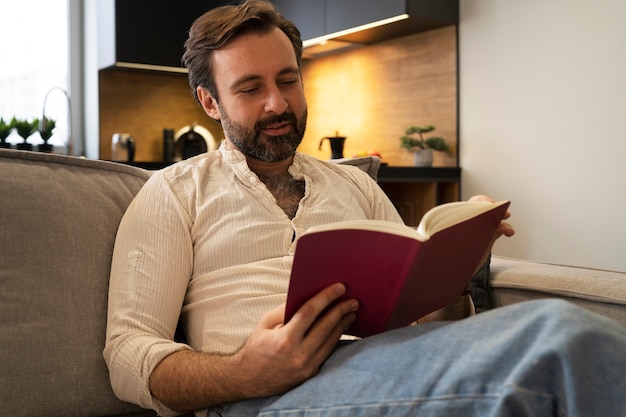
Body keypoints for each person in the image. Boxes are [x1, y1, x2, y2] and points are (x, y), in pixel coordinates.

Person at [104, 1, 626, 416]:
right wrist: (247, 372)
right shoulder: (173, 192)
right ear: (210, 103)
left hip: (391, 366)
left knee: (557, 333)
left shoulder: (353, 185)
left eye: (288, 80)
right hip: (262, 399)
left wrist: (456, 269)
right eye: (250, 88)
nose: (278, 104)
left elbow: (431, 321)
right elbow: (127, 356)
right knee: (560, 339)